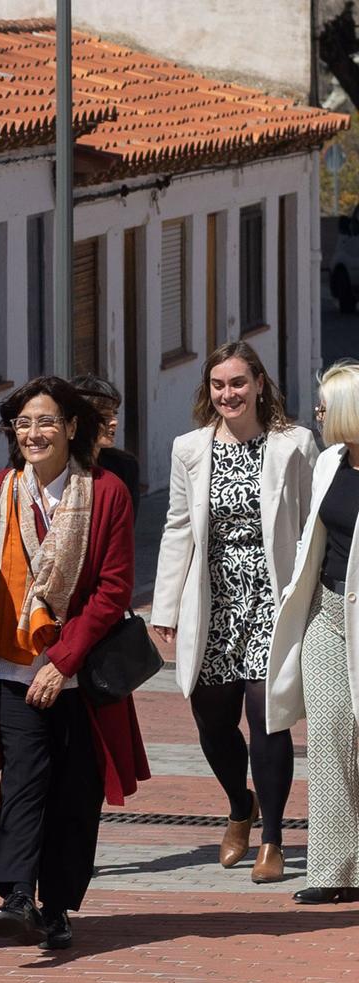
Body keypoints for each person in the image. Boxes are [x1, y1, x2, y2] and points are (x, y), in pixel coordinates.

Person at [0, 376, 148, 951]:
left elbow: (114, 590)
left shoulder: (107, 491)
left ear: (71, 427)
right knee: (23, 780)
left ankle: (59, 904)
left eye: (46, 422)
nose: (34, 433)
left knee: (75, 789)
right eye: (23, 423)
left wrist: (62, 661)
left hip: (83, 672)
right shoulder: (1, 491)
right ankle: (18, 893)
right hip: (16, 667)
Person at [152, 342, 316, 884]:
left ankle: (272, 839)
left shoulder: (294, 444)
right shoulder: (190, 449)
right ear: (209, 391)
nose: (230, 394)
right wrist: (166, 603)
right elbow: (178, 526)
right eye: (220, 385)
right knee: (212, 718)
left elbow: (314, 524)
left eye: (239, 383)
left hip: (274, 597)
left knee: (268, 717)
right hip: (213, 598)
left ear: (260, 384)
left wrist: (316, 596)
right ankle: (239, 805)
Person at [267, 362, 359, 904]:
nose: (317, 415)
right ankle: (332, 870)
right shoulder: (329, 462)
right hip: (327, 615)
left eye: (324, 407)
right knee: (327, 736)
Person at [70, 374, 140, 518]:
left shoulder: (125, 466)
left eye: (114, 414)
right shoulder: (54, 465)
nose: (114, 422)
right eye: (104, 416)